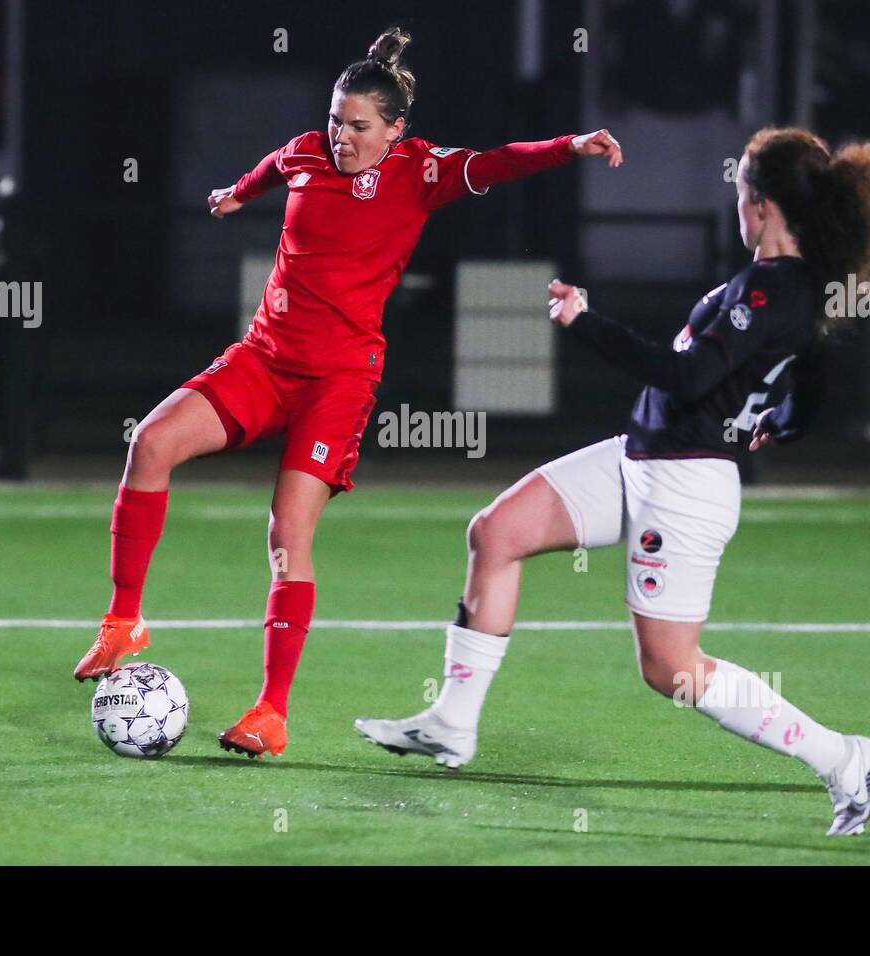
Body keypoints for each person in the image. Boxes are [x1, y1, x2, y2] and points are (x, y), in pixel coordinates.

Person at [71, 27, 624, 762]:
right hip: (263, 359)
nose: (341, 136)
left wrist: (569, 146)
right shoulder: (309, 151)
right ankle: (124, 620)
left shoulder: (419, 173)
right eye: (336, 120)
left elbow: (496, 165)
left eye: (359, 126)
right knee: (151, 442)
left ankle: (270, 713)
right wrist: (237, 195)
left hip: (339, 380)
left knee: (286, 537)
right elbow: (277, 164)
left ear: (396, 131)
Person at [356, 127, 870, 836]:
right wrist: (787, 419)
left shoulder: (772, 290)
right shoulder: (791, 288)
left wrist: (586, 322)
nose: (737, 209)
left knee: (670, 669)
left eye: (741, 196)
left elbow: (687, 375)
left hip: (684, 484)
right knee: (497, 533)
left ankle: (843, 758)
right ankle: (452, 724)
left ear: (762, 206)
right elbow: (816, 371)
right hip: (642, 458)